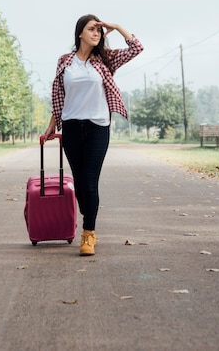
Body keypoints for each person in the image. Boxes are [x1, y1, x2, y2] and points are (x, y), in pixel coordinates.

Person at [43, 14, 144, 256]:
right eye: (91, 29)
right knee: (79, 183)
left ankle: (89, 233)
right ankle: (88, 211)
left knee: (89, 180)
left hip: (98, 127)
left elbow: (137, 48)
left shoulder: (105, 60)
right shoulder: (65, 61)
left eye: (99, 30)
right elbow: (59, 95)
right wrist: (52, 126)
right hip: (71, 128)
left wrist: (117, 26)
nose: (96, 33)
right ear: (79, 33)